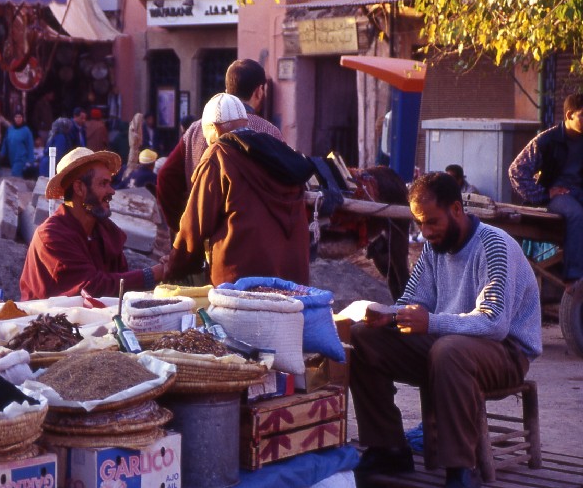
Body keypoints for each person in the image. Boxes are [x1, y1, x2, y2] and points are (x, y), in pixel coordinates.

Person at [350, 172, 542, 488]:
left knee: (449, 349)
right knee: (364, 337)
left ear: (455, 209)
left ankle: (461, 469)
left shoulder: (494, 245)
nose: (424, 233)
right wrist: (389, 315)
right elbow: (413, 300)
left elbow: (494, 323)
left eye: (431, 222)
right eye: (419, 224)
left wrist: (432, 322)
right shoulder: (433, 248)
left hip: (506, 353)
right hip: (448, 348)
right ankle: (389, 447)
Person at [164, 93, 313, 286]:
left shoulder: (218, 156)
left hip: (240, 285)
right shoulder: (279, 152)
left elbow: (195, 225)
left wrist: (174, 266)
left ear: (214, 129)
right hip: (292, 283)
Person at [157, 59, 283, 235]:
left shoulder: (195, 129)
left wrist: (182, 226)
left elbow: (166, 177)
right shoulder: (269, 132)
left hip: (201, 234)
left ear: (227, 90)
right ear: (259, 91)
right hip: (249, 239)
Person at [20, 147, 165, 299]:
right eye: (103, 184)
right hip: (44, 320)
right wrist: (154, 274)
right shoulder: (51, 235)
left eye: (110, 183)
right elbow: (91, 288)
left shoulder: (107, 231)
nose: (112, 191)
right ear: (80, 188)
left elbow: (120, 282)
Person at [509, 93, 583, 292]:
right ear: (569, 115)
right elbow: (516, 171)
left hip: (580, 192)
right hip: (559, 196)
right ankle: (573, 278)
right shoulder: (547, 140)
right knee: (576, 214)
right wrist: (543, 194)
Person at [0, 110, 35, 178]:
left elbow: (30, 146)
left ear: (22, 118)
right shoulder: (10, 129)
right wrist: (2, 154)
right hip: (12, 158)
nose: (18, 119)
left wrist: (30, 161)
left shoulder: (26, 130)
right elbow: (5, 142)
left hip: (21, 158)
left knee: (15, 174)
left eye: (20, 117)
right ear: (14, 118)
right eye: (16, 117)